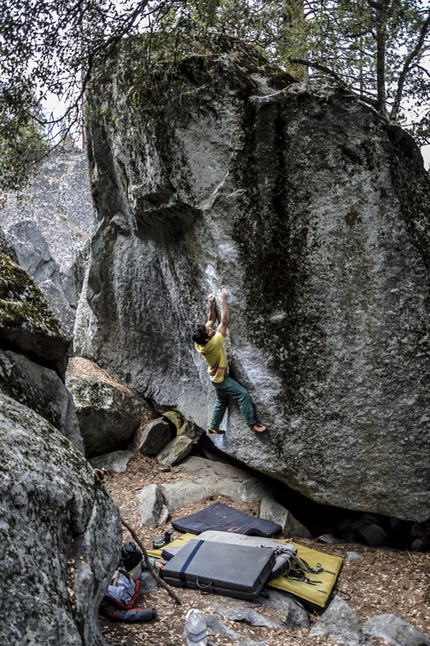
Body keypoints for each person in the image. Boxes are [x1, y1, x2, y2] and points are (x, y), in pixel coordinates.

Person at [192, 289, 266, 435]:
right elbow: (224, 322)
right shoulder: (213, 343)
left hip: (213, 376)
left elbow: (211, 320)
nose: (209, 328)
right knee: (242, 394)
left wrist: (211, 304)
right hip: (221, 378)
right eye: (208, 331)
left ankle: (213, 426)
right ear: (208, 338)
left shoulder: (199, 343)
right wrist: (223, 300)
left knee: (222, 400)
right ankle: (252, 424)